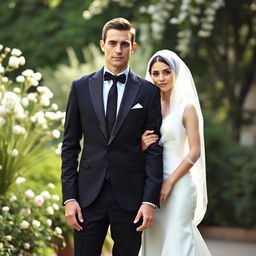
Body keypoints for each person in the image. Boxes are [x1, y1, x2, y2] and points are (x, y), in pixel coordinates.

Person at [61, 18, 163, 256]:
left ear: (133, 47)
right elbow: (69, 146)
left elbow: (156, 150)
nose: (118, 49)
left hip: (131, 197)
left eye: (125, 44)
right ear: (102, 45)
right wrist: (69, 198)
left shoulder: (148, 92)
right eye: (113, 43)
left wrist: (149, 201)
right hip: (87, 197)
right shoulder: (80, 87)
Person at [141, 50, 211, 255]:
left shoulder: (187, 108)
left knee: (179, 240)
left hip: (179, 185)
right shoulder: (147, 107)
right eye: (155, 73)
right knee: (156, 240)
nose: (161, 78)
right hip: (151, 184)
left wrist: (170, 181)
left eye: (166, 72)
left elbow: (195, 151)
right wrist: (141, 146)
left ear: (175, 73)